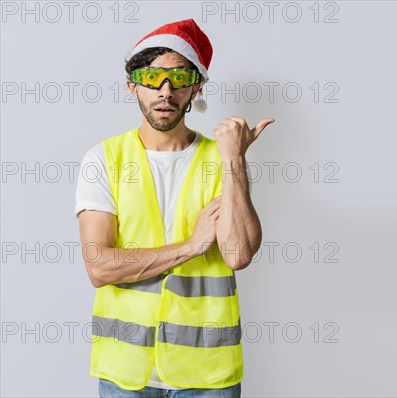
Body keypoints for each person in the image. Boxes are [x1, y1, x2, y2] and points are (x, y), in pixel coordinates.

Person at [74, 18, 274, 398]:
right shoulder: (103, 159)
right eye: (152, 78)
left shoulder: (223, 159)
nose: (165, 91)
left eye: (179, 79)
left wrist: (234, 158)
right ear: (133, 85)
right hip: (125, 373)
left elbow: (237, 253)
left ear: (196, 88)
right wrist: (192, 245)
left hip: (207, 372)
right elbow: (99, 266)